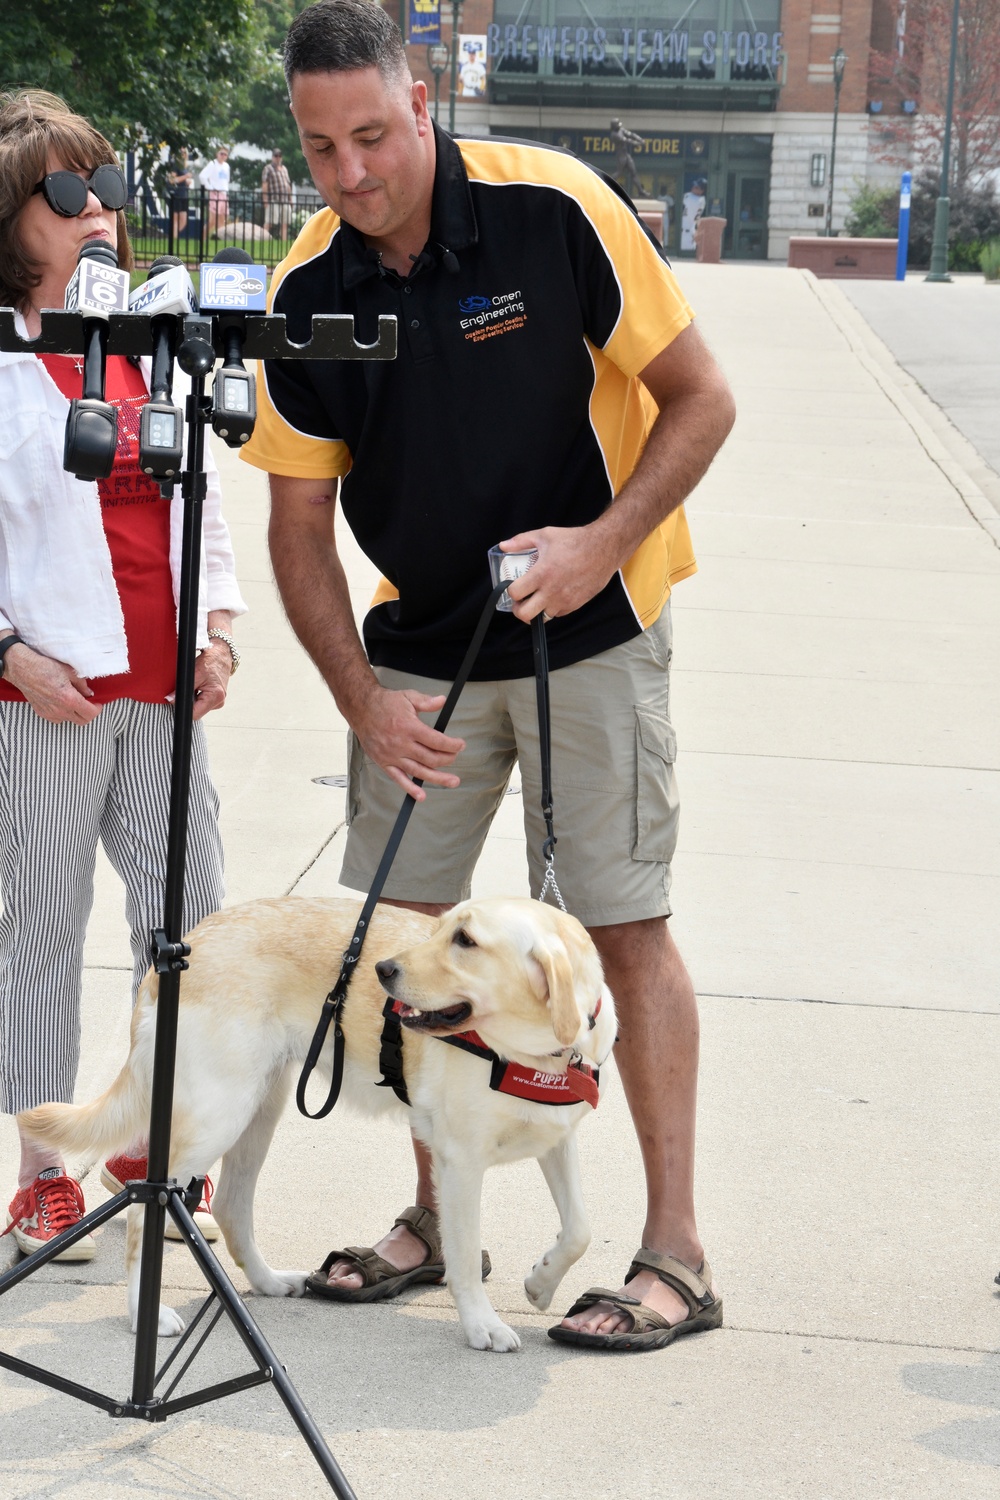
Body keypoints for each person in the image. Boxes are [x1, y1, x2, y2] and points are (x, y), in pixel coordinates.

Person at [241, 0, 735, 1351]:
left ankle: (675, 1256)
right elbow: (295, 524)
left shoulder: (552, 207)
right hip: (419, 663)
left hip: (594, 626)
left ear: (422, 103)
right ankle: (432, 1223)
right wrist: (359, 699)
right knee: (411, 957)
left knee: (620, 930)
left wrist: (602, 542)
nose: (352, 173)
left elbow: (703, 399)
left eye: (374, 136)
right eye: (321, 147)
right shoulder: (309, 288)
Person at [0, 90, 247, 1260]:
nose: (95, 209)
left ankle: (157, 1140)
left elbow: (209, 506)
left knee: (186, 925)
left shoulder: (151, 341)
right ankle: (43, 1170)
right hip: (45, 697)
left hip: (163, 689)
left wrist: (223, 630)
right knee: (41, 929)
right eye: (63, 192)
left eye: (104, 187)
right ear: (13, 217)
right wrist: (7, 657)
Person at [199, 144, 230, 239]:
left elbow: (226, 180)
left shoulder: (226, 166)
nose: (223, 156)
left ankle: (219, 238)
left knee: (222, 219)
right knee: (212, 220)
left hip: (224, 193)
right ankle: (203, 237)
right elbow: (202, 176)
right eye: (221, 154)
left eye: (225, 154)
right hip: (215, 193)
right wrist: (210, 187)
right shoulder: (212, 164)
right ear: (217, 154)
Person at [262, 146, 293, 240]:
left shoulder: (284, 169)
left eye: (279, 155)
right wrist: (265, 199)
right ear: (272, 157)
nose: (278, 157)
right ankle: (263, 239)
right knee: (269, 222)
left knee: (285, 223)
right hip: (273, 199)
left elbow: (287, 185)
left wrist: (290, 199)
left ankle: (283, 241)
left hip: (285, 200)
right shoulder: (268, 168)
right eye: (276, 155)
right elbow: (264, 184)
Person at [610, 116, 643, 198]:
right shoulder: (614, 135)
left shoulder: (621, 130)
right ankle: (608, 183)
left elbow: (630, 134)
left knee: (633, 172)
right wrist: (638, 144)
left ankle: (641, 191)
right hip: (621, 155)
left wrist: (639, 139)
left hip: (626, 154)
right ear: (614, 126)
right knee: (619, 172)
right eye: (618, 125)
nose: (620, 126)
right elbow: (626, 140)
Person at [166, 146, 193, 241]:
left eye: (184, 153)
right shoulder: (175, 165)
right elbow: (172, 180)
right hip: (176, 194)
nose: (183, 155)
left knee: (183, 220)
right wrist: (185, 177)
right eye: (181, 153)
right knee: (175, 219)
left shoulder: (184, 166)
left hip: (184, 194)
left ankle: (173, 236)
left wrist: (187, 181)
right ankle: (174, 238)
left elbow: (182, 180)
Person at [682, 175, 707, 252]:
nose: (693, 188)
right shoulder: (702, 200)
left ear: (702, 191)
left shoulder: (696, 199)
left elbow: (685, 198)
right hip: (689, 232)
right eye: (694, 186)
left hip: (687, 233)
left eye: (697, 187)